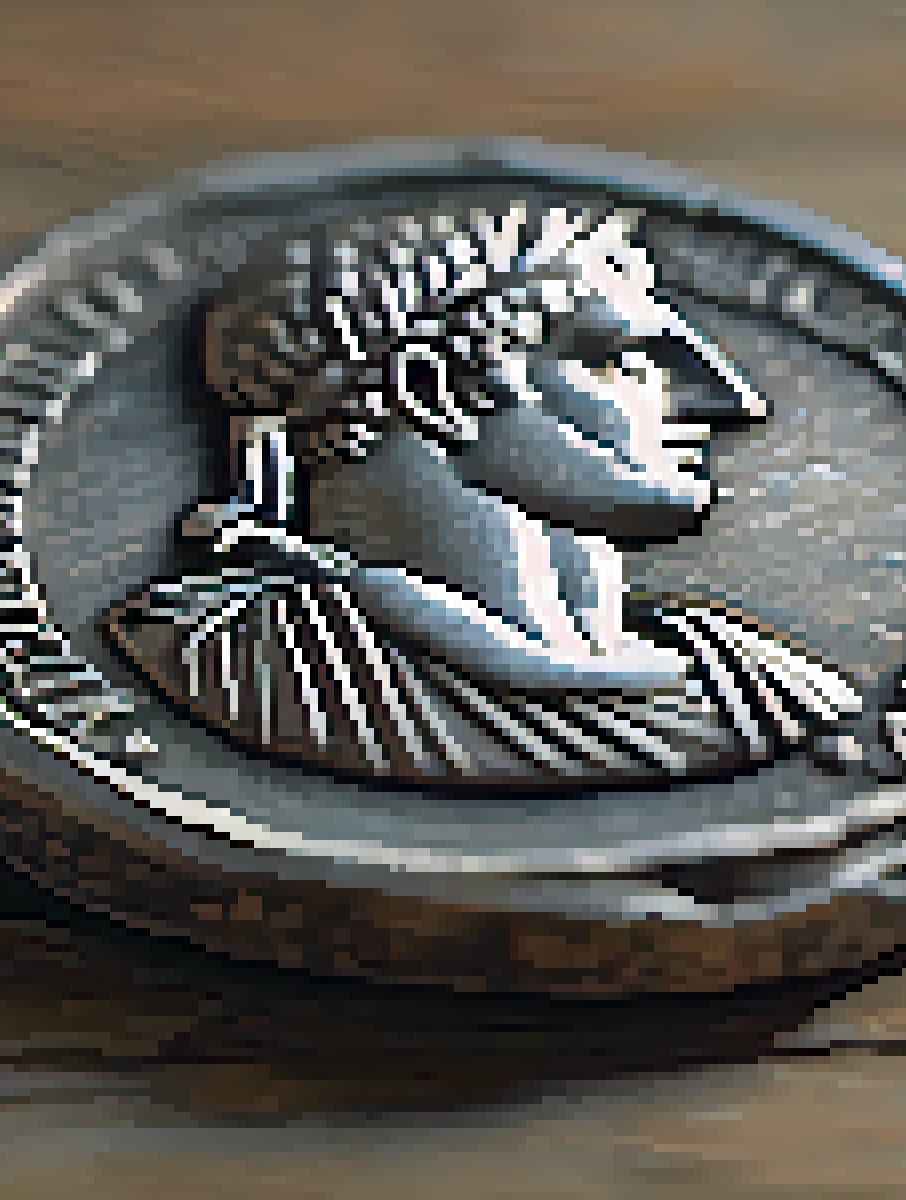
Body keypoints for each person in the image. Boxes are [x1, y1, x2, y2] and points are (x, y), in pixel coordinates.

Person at [107, 201, 859, 788]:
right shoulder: (250, 666)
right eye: (620, 360)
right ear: (435, 388)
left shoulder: (763, 682)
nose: (729, 403)